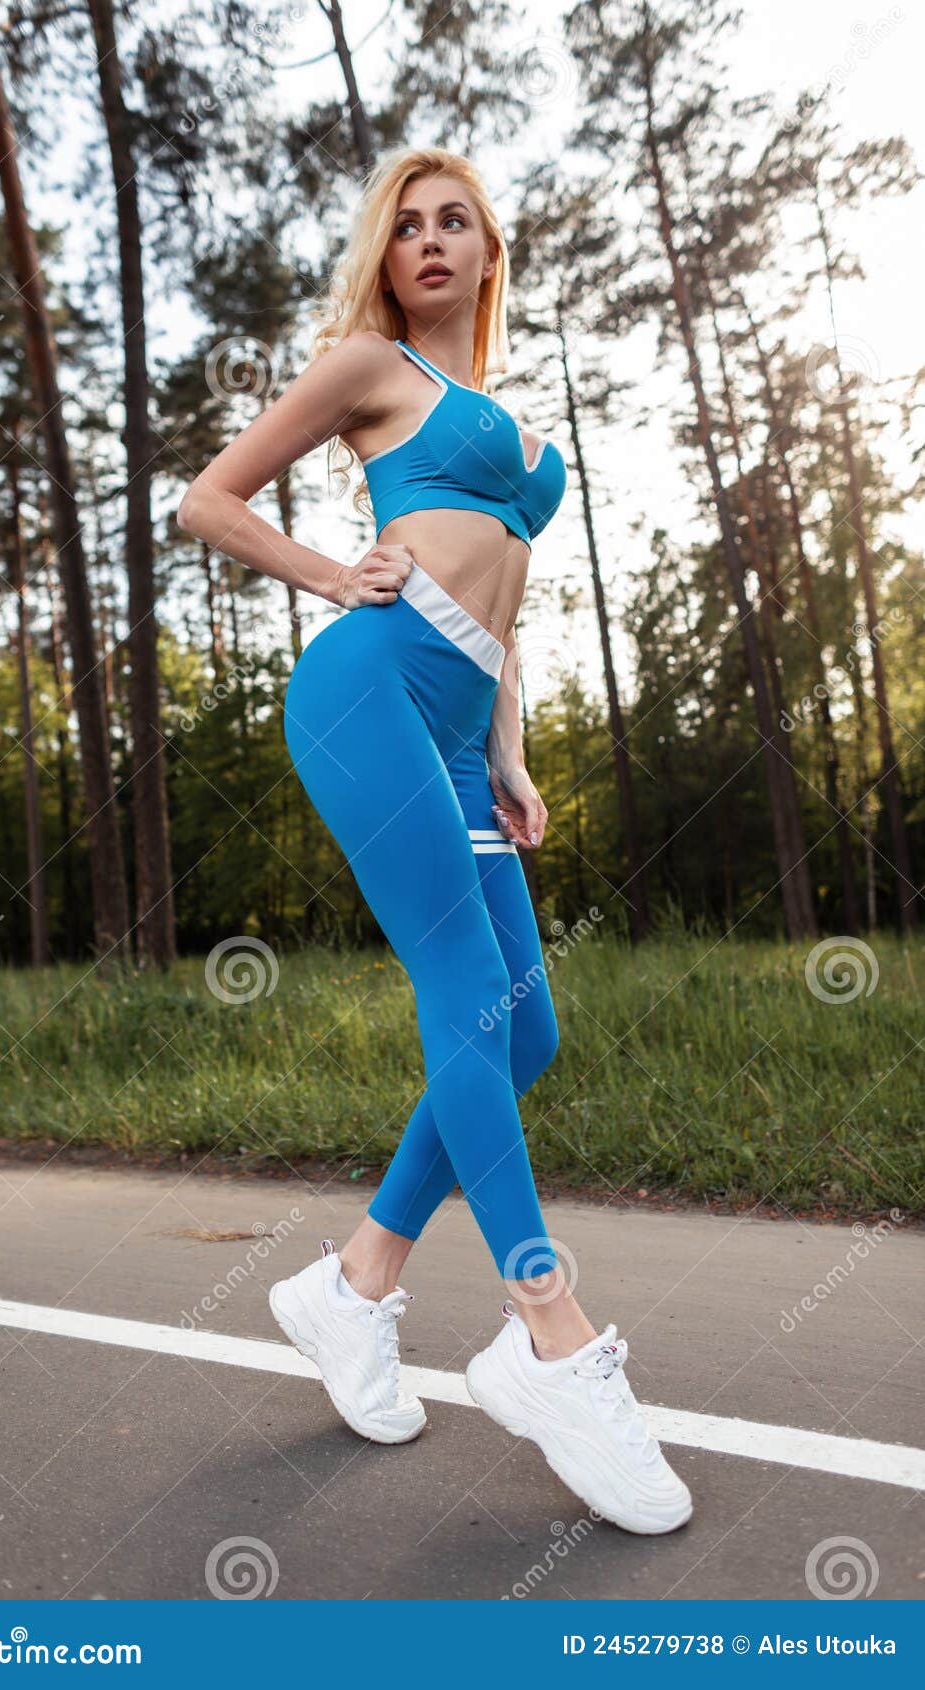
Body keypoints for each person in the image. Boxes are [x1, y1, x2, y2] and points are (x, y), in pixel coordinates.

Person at [177, 146, 691, 1535]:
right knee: (465, 994)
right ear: (387, 258)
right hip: (368, 688)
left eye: (455, 220)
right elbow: (206, 499)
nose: (431, 242)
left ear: (488, 248)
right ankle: (551, 1336)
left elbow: (502, 613)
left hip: (463, 727)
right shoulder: (366, 369)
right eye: (406, 227)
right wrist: (335, 573)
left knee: (525, 1037)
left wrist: (509, 750)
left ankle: (351, 1287)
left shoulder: (496, 411)